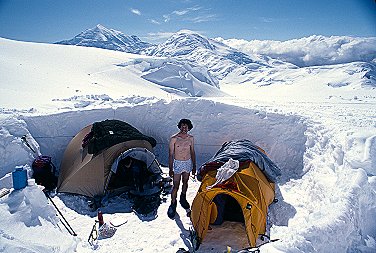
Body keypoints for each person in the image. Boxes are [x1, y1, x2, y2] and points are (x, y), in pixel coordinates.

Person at [167, 118, 196, 218]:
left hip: (187, 162)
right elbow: (171, 154)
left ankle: (183, 198)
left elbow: (192, 152)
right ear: (179, 126)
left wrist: (194, 166)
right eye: (182, 126)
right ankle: (173, 203)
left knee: (186, 182)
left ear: (189, 128)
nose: (184, 128)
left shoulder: (191, 138)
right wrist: (170, 168)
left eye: (186, 126)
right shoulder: (174, 138)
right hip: (178, 163)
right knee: (175, 186)